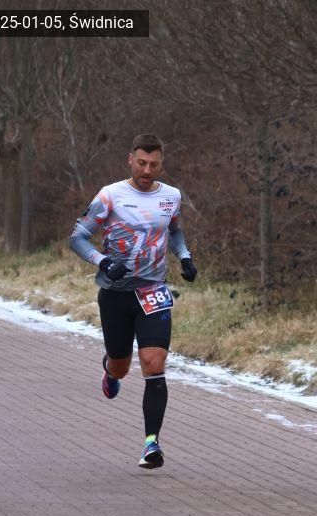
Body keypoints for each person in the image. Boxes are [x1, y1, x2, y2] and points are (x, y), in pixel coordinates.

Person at [69, 134, 198, 469]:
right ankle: (110, 371)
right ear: (130, 160)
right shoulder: (110, 195)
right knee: (121, 366)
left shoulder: (171, 196)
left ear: (161, 163)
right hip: (116, 294)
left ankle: (151, 444)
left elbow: (174, 231)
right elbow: (78, 237)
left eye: (154, 164)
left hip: (153, 290)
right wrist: (103, 262)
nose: (147, 170)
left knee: (154, 363)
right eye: (141, 163)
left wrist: (184, 256)